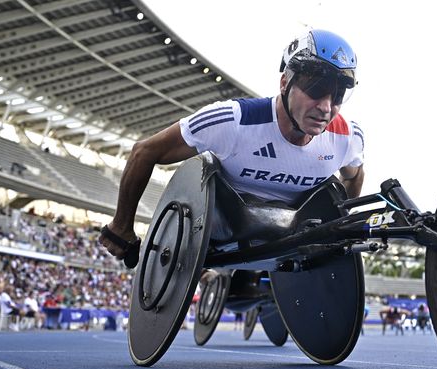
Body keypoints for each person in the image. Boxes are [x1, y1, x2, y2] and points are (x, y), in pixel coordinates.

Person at [100, 29, 365, 267]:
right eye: (316, 89)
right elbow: (144, 152)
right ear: (285, 83)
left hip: (287, 235)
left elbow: (354, 176)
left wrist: (338, 221)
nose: (326, 107)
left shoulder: (347, 138)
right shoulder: (232, 121)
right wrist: (121, 226)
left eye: (338, 95)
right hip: (219, 225)